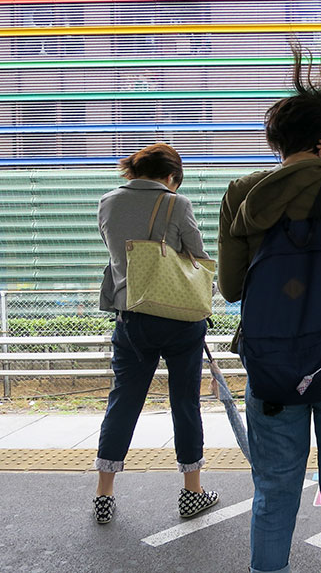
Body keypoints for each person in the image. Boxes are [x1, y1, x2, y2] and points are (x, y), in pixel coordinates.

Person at [217, 49, 321, 573]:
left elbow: (231, 287)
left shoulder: (240, 194)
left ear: (276, 142)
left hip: (271, 367)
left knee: (275, 490)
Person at [94, 143, 219, 524]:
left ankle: (103, 494)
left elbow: (117, 253)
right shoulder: (175, 203)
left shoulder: (108, 202)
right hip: (178, 319)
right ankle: (191, 492)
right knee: (185, 402)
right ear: (170, 176)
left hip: (131, 316)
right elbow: (195, 254)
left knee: (124, 402)